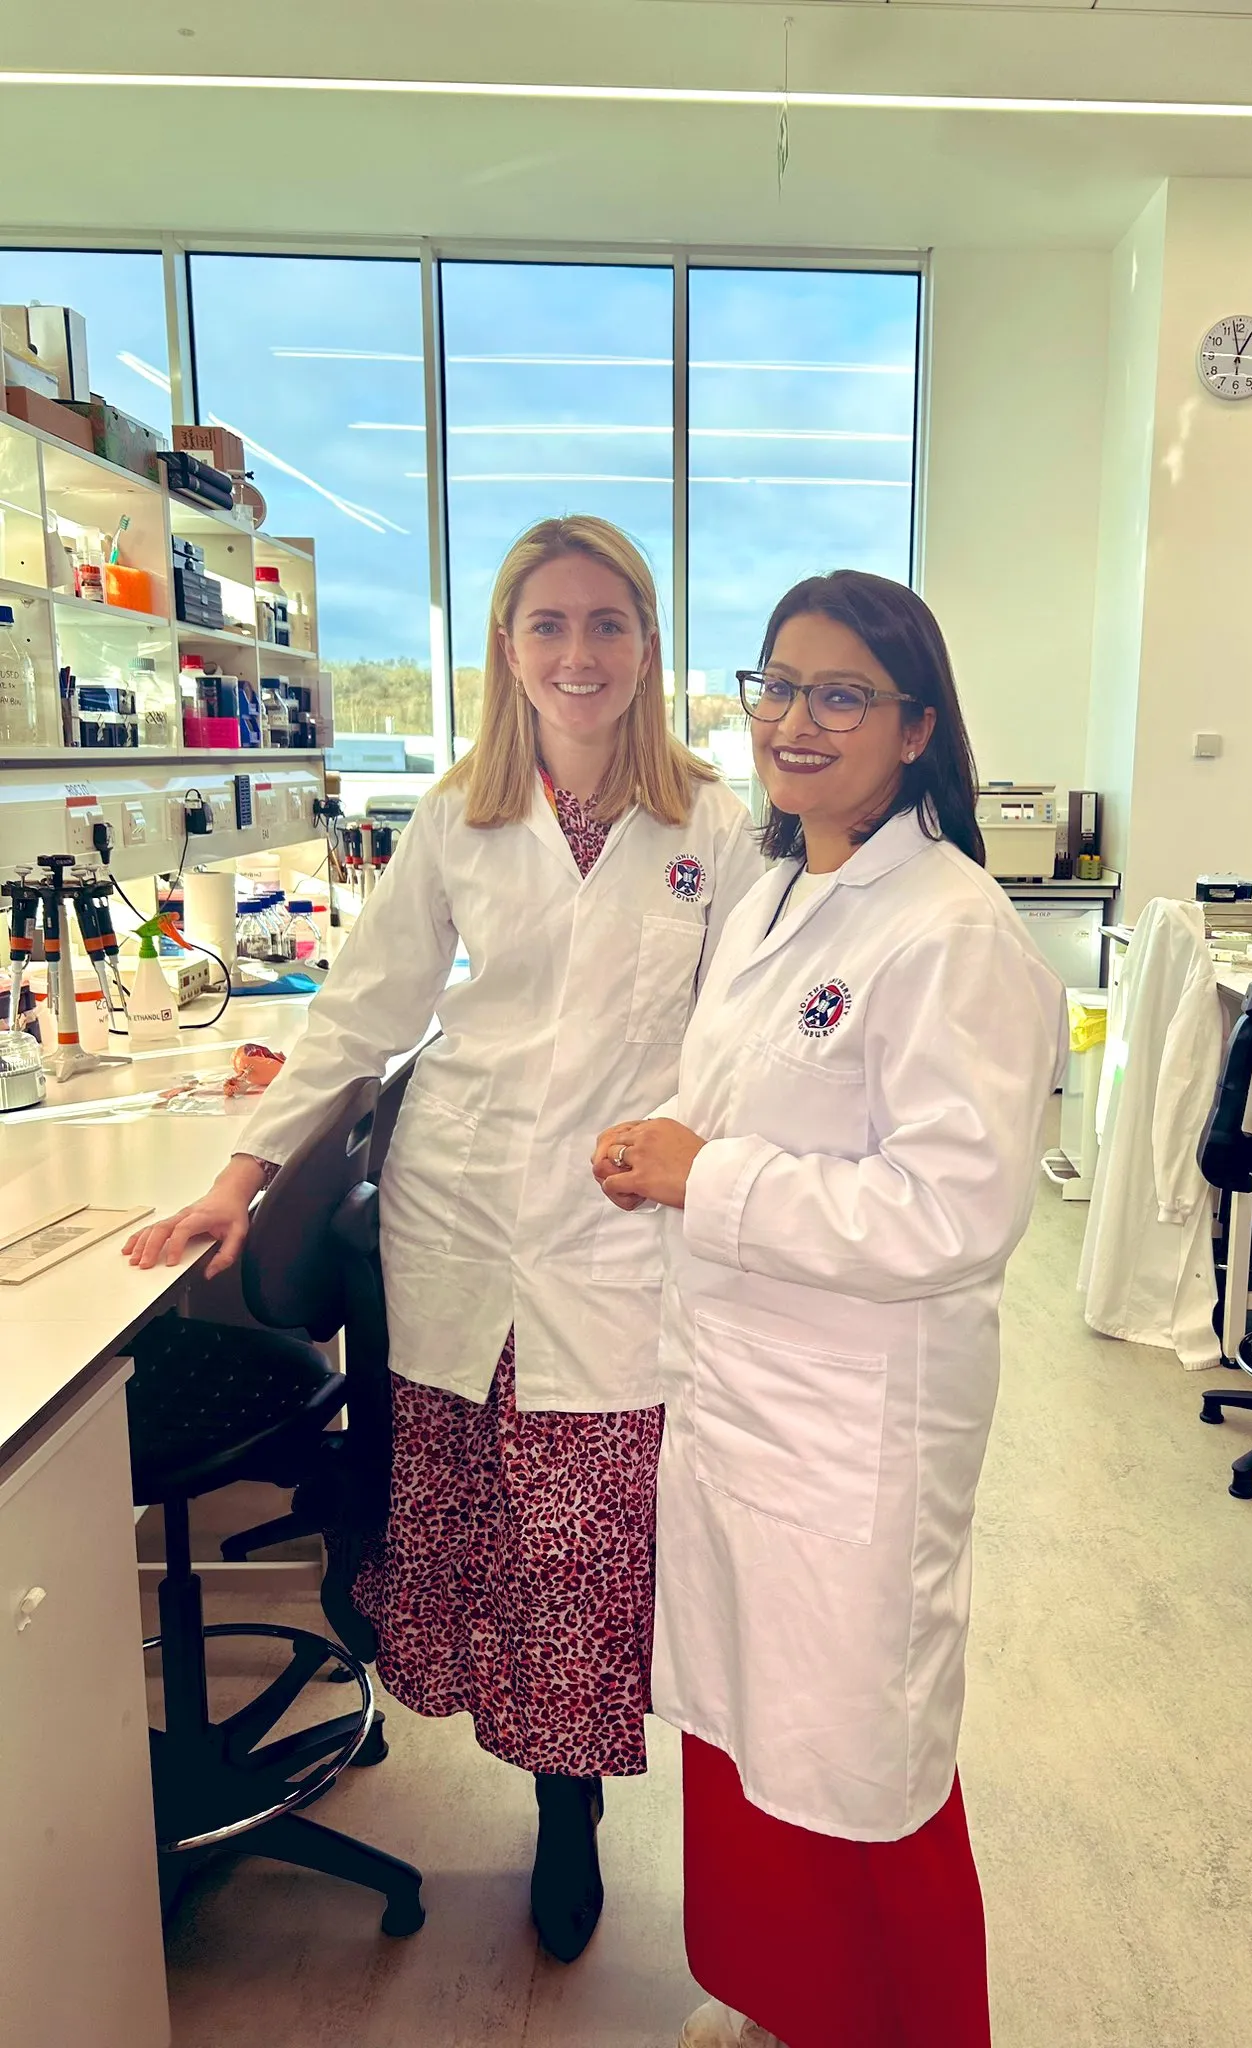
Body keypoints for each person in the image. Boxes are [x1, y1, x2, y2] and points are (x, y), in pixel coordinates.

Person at [125, 515, 762, 1963]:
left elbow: (738, 1032)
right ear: (507, 647)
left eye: (608, 623)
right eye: (549, 624)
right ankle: (507, 1747)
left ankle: (570, 1806)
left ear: (648, 645)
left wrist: (714, 1163)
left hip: (617, 1225)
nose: (580, 652)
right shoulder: (458, 811)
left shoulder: (711, 824)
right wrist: (238, 1176)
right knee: (482, 1520)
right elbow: (366, 1008)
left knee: (586, 1532)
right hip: (461, 1208)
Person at [593, 570, 1066, 2048]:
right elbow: (730, 1091)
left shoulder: (952, 932)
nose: (795, 721)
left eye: (841, 693)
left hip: (855, 1424)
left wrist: (705, 1177)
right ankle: (772, 1993)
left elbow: (952, 1213)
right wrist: (658, 1140)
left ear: (916, 726)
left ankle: (891, 2021)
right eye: (776, 686)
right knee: (745, 1727)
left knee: (857, 1755)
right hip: (740, 1395)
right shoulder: (779, 884)